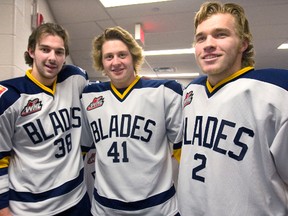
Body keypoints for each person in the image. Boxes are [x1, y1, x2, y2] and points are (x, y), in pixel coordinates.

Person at [177, 1, 288, 215]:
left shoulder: (276, 91)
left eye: (221, 34)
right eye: (201, 37)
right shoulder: (191, 91)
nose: (208, 44)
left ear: (243, 44)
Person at [81, 26, 183, 215]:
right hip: (106, 208)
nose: (116, 62)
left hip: (158, 207)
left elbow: (184, 150)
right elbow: (83, 148)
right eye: (108, 57)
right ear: (101, 63)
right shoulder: (89, 96)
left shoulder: (164, 91)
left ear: (133, 57)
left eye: (122, 55)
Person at [0, 23, 92, 216]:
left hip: (76, 200)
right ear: (31, 51)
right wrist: (2, 208)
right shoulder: (10, 97)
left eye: (59, 52)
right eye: (45, 49)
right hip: (29, 209)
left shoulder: (75, 79)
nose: (52, 58)